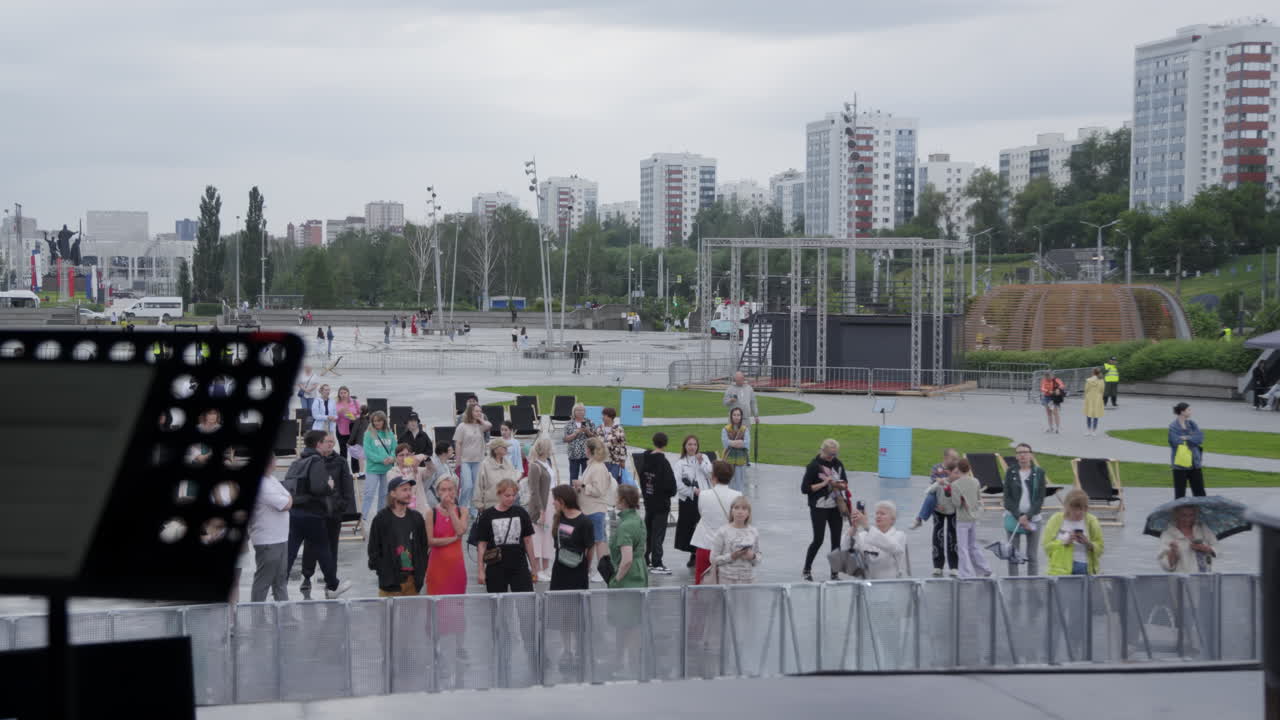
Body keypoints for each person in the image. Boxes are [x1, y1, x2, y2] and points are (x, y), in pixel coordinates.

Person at [284, 431, 352, 599]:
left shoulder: (298, 461)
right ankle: (333, 585)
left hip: (295, 513)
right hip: (313, 514)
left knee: (290, 551)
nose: (327, 445)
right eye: (324, 442)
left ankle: (279, 583)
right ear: (318, 444)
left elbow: (288, 485)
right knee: (324, 550)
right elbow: (318, 488)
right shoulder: (316, 460)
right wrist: (329, 485)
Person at [366, 476, 428, 596]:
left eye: (410, 489)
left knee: (411, 615)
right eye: (404, 490)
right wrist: (384, 571)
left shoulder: (416, 518)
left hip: (412, 582)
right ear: (393, 493)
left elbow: (423, 547)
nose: (409, 493)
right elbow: (373, 549)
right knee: (389, 615)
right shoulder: (381, 518)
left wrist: (420, 571)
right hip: (390, 583)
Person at [475, 478, 537, 592]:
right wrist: (480, 570)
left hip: (519, 565)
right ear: (499, 494)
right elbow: (482, 544)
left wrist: (534, 568)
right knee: (497, 605)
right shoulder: (487, 515)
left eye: (514, 495)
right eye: (507, 495)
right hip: (495, 566)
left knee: (525, 603)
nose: (511, 498)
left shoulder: (521, 512)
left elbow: (528, 541)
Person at [800, 439, 848, 582]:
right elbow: (805, 489)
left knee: (836, 541)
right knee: (818, 539)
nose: (831, 457)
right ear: (823, 451)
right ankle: (806, 570)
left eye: (834, 454)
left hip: (835, 506)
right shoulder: (813, 466)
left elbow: (845, 483)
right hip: (819, 507)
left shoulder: (838, 464)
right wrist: (824, 483)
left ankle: (834, 573)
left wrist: (839, 485)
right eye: (829, 454)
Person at [691, 460, 742, 584]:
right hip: (727, 547)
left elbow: (702, 513)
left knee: (702, 583)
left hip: (705, 544)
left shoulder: (703, 495)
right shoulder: (738, 495)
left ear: (713, 476)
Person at [249, 460, 292, 602]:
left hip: (280, 537)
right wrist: (289, 499)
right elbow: (286, 503)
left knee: (280, 580)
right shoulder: (261, 484)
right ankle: (258, 617)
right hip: (268, 540)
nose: (275, 462)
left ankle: (284, 616)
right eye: (273, 460)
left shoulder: (271, 479)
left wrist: (289, 499)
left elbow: (288, 496)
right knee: (264, 581)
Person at [1002, 442, 1047, 576]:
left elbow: (1040, 498)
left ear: (1031, 455)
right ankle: (1013, 582)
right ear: (1016, 456)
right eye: (1019, 453)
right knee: (1013, 555)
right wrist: (1019, 515)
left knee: (1032, 555)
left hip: (1033, 519)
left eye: (1025, 452)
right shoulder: (1010, 472)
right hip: (1013, 518)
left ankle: (1032, 582)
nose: (1022, 455)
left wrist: (1027, 516)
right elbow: (1007, 498)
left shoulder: (1039, 473)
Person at [576, 437, 616, 583]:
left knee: (600, 540)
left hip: (595, 509)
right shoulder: (592, 465)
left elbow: (598, 490)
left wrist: (583, 486)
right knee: (596, 541)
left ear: (591, 450)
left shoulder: (598, 467)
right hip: (589, 509)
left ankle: (603, 570)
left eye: (586, 448)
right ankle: (592, 569)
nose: (585, 450)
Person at [673, 434, 714, 572]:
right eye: (689, 444)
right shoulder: (680, 463)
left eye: (695, 444)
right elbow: (677, 483)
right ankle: (693, 553)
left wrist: (702, 462)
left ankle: (702, 552)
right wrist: (691, 491)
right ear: (685, 446)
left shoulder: (704, 458)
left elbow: (711, 473)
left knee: (703, 526)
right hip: (688, 499)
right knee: (690, 527)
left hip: (704, 497)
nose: (692, 447)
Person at [1042, 488, 1104, 576]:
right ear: (1067, 507)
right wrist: (1064, 543)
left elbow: (1100, 548)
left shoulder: (1092, 521)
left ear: (1086, 508)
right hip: (1059, 570)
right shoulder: (1056, 519)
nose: (1078, 513)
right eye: (1075, 509)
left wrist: (1088, 543)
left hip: (1085, 568)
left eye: (1082, 510)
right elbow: (1046, 547)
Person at [640, 432, 677, 575]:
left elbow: (643, 480)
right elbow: (671, 486)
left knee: (649, 532)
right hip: (661, 504)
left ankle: (646, 558)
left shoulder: (646, 460)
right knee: (658, 534)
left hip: (649, 502)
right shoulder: (663, 463)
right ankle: (657, 562)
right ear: (666, 444)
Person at [842, 500, 907, 579]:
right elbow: (845, 549)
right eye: (877, 513)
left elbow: (891, 546)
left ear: (892, 519)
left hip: (890, 585)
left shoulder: (899, 536)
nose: (878, 516)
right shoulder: (864, 535)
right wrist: (854, 527)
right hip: (865, 586)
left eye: (882, 514)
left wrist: (866, 526)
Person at [425, 476, 468, 595]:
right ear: (437, 492)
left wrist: (450, 509)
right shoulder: (431, 513)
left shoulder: (462, 511)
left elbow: (460, 530)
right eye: (443, 490)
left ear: (455, 491)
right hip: (437, 566)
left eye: (450, 489)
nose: (447, 493)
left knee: (456, 606)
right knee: (435, 606)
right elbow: (430, 541)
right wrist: (453, 539)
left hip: (456, 566)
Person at [950, 459, 991, 578]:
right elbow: (978, 498)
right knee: (973, 546)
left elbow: (956, 504)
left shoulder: (955, 485)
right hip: (973, 518)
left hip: (962, 519)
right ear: (969, 469)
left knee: (963, 548)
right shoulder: (976, 481)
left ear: (958, 469)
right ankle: (984, 569)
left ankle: (966, 573)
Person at [526, 436, 557, 582]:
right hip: (541, 504)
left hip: (550, 502)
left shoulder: (547, 463)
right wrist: (541, 510)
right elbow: (534, 491)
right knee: (537, 537)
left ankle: (545, 568)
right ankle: (537, 569)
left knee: (547, 537)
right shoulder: (535, 466)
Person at [550, 484, 594, 590]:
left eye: (555, 499)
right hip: (559, 567)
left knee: (577, 603)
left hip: (577, 568)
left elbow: (590, 547)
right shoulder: (558, 517)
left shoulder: (585, 522)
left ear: (562, 501)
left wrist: (587, 567)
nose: (553, 503)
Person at [709, 496, 760, 584]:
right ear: (731, 511)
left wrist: (753, 556)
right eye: (736, 508)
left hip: (749, 580)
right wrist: (732, 556)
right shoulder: (722, 531)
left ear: (748, 513)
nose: (740, 511)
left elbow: (759, 557)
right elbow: (713, 559)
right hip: (727, 580)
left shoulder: (753, 531)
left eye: (744, 508)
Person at [455, 403, 493, 515]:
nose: (479, 413)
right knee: (467, 486)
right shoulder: (462, 426)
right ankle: (461, 507)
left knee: (476, 487)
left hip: (478, 460)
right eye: (476, 411)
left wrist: (481, 420)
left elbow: (489, 425)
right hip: (465, 460)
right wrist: (458, 460)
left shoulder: (480, 425)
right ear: (470, 412)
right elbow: (458, 443)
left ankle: (473, 509)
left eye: (480, 411)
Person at [361, 410, 397, 530]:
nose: (377, 423)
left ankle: (381, 516)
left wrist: (392, 458)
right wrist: (382, 459)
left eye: (379, 421)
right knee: (369, 493)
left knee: (384, 494)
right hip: (373, 469)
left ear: (384, 421)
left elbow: (394, 448)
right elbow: (368, 452)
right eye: (375, 421)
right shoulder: (368, 434)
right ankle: (364, 517)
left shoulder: (389, 433)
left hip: (387, 469)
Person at [1157, 505, 1219, 573]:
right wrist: (1173, 552)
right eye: (1183, 515)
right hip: (1181, 580)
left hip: (1205, 577)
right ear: (1176, 515)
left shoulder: (1203, 528)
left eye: (1191, 515)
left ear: (1195, 515)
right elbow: (1167, 566)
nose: (1188, 519)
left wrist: (1205, 548)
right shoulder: (1167, 534)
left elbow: (1218, 549)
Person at [609, 484, 648, 589]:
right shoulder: (638, 519)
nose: (615, 499)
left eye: (616, 496)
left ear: (622, 500)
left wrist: (616, 581)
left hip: (628, 575)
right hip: (640, 569)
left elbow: (627, 560)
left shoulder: (625, 525)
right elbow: (643, 548)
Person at [474, 437, 520, 518]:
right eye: (504, 447)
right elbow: (479, 485)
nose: (506, 449)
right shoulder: (485, 465)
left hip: (508, 506)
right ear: (495, 450)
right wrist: (479, 504)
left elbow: (514, 481)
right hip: (491, 507)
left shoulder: (508, 463)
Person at [1168, 402, 1206, 498]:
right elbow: (1175, 442)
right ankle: (1179, 512)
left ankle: (1200, 512)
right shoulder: (1173, 426)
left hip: (1195, 464)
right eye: (1189, 410)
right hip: (1180, 465)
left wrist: (1186, 438)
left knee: (1200, 493)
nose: (1191, 412)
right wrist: (1192, 438)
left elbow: (1200, 439)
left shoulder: (1192, 424)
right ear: (1182, 412)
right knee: (1180, 494)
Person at [563, 403, 595, 482]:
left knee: (587, 477)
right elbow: (565, 439)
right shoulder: (569, 424)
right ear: (574, 412)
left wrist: (587, 431)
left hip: (587, 454)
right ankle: (572, 493)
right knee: (573, 477)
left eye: (582, 410)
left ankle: (585, 493)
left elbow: (595, 437)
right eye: (578, 410)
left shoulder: (589, 422)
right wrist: (576, 433)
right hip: (574, 454)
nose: (580, 412)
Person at [720, 407, 750, 493]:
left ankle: (739, 498)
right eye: (734, 415)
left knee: (740, 480)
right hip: (728, 458)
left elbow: (746, 443)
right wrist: (738, 442)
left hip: (741, 459)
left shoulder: (745, 429)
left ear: (741, 417)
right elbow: (725, 443)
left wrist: (732, 443)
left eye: (738, 415)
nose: (736, 417)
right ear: (731, 416)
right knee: (729, 480)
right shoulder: (725, 429)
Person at [598, 407, 627, 482]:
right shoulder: (599, 428)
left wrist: (622, 461)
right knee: (602, 482)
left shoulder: (619, 429)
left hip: (614, 461)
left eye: (604, 415)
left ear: (610, 417)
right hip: (602, 460)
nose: (602, 417)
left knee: (613, 482)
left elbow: (622, 445)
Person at [334, 386, 360, 460]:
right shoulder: (336, 403)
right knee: (343, 450)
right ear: (339, 394)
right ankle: (343, 469)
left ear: (348, 393)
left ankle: (356, 471)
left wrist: (355, 417)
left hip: (353, 428)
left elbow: (360, 414)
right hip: (341, 429)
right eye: (341, 393)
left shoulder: (355, 402)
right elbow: (333, 418)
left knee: (354, 451)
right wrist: (339, 412)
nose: (343, 394)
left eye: (345, 393)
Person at [1083, 368, 1105, 437]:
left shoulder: (1088, 380)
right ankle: (1094, 431)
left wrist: (1086, 395)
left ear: (1093, 373)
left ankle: (1088, 430)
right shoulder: (1101, 380)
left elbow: (1086, 389)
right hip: (1098, 398)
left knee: (1088, 414)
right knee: (1096, 414)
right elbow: (1102, 390)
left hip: (1089, 398)